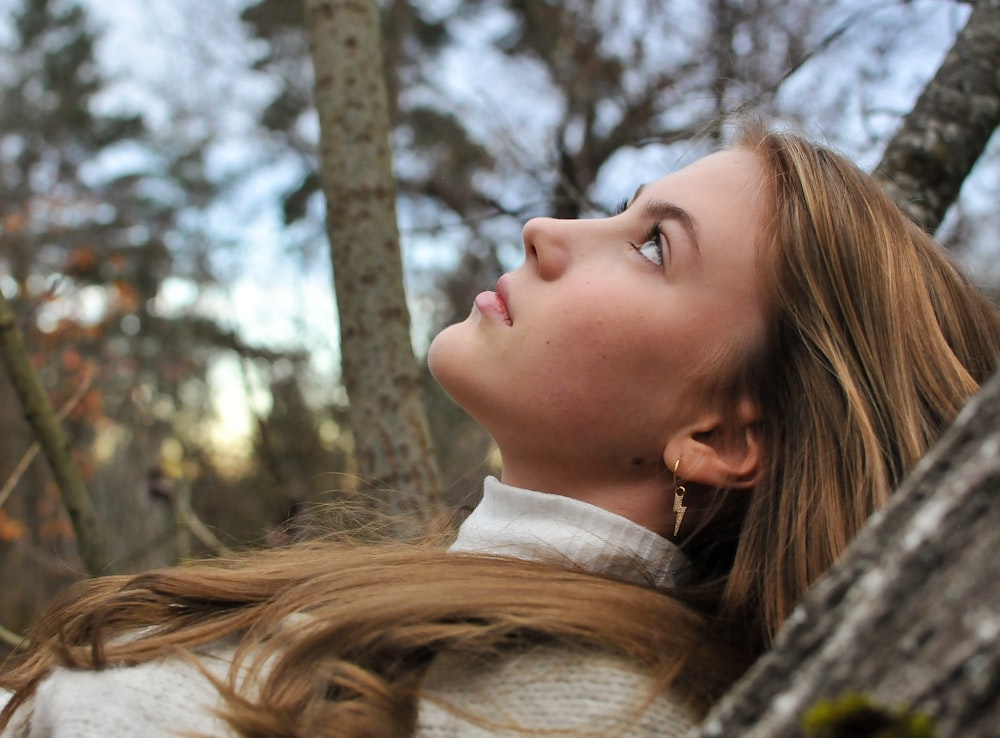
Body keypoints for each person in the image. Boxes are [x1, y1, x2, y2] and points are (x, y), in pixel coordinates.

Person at [2, 119, 999, 738]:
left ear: (722, 437)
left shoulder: (598, 714)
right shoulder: (458, 599)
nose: (547, 231)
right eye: (623, 210)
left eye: (652, 246)